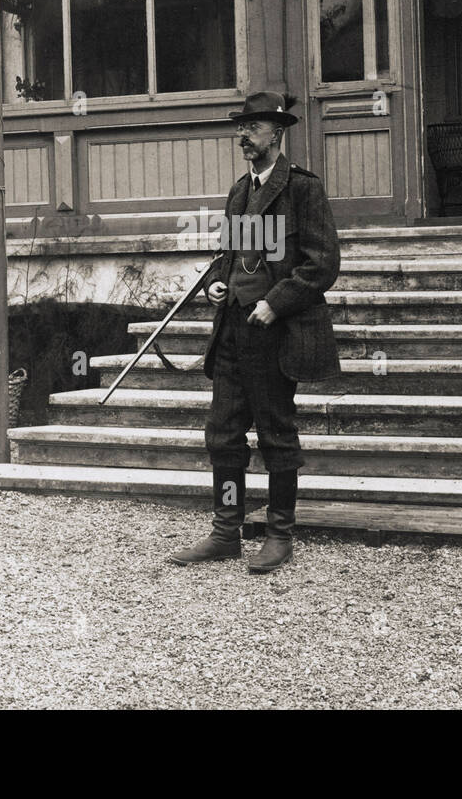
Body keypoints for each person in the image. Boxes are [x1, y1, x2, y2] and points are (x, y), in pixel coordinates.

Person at [169, 92, 341, 573]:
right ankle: (226, 532)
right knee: (222, 435)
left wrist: (274, 302)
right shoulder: (238, 192)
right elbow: (233, 257)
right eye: (240, 128)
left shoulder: (302, 189)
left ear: (277, 133)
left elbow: (322, 263)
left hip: (276, 332)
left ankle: (279, 534)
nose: (244, 136)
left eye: (254, 128)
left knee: (275, 434)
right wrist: (220, 284)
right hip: (233, 330)